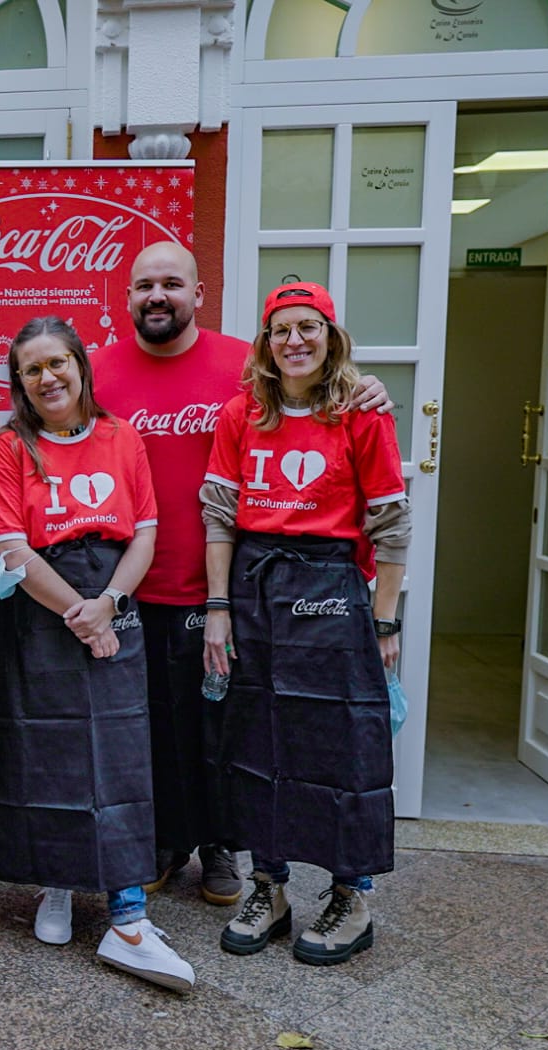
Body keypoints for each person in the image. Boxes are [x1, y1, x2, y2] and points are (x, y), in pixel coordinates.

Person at [91, 242, 389, 906]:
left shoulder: (244, 365)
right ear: (129, 296)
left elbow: (316, 399)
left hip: (231, 592)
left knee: (227, 729)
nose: (157, 295)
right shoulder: (97, 370)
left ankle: (222, 844)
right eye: (144, 285)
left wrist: (364, 387)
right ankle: (168, 838)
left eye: (173, 283)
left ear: (199, 294)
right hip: (132, 584)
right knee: (153, 724)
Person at [0, 316, 194, 992]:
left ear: (81, 365)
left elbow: (146, 534)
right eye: (33, 368)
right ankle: (58, 887)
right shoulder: (11, 447)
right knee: (47, 752)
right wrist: (81, 613)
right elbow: (12, 548)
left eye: (59, 362)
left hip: (112, 600)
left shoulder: (120, 436)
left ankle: (129, 916)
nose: (49, 377)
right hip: (40, 610)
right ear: (20, 382)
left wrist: (109, 608)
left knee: (119, 754)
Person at [200, 282, 409, 966]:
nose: (295, 341)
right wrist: (219, 607)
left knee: (342, 741)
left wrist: (386, 620)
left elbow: (391, 523)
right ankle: (271, 886)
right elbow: (220, 518)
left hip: (331, 588)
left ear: (330, 336)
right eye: (281, 329)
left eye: (308, 328)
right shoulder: (241, 415)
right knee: (259, 739)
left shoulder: (362, 415)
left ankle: (351, 895)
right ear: (266, 342)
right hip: (257, 587)